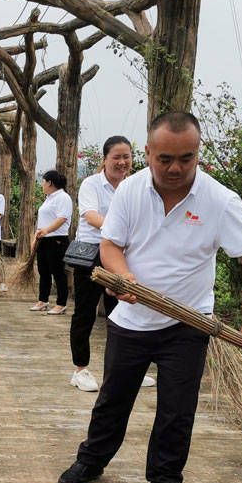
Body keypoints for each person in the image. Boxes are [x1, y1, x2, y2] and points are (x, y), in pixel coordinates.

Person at [57, 111, 242, 483]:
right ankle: (92, 460)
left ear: (198, 155)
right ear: (148, 152)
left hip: (188, 323)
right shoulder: (131, 192)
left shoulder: (220, 201)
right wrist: (123, 278)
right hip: (131, 321)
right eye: (165, 159)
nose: (175, 168)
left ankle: (165, 479)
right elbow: (111, 245)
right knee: (113, 399)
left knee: (177, 408)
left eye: (186, 159)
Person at [69, 137, 155, 392]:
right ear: (104, 159)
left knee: (122, 313)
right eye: (116, 157)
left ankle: (123, 370)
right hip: (92, 255)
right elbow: (90, 215)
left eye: (126, 156)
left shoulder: (134, 185)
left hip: (122, 255)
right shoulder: (91, 184)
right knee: (85, 311)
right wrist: (118, 230)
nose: (122, 162)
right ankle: (80, 369)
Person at [30, 170, 72, 315]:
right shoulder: (49, 198)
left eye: (43, 182)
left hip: (57, 239)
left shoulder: (63, 197)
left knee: (58, 272)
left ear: (50, 183)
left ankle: (61, 303)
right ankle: (43, 300)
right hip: (44, 239)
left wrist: (47, 230)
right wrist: (35, 239)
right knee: (44, 271)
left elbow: (62, 219)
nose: (42, 185)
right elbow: (42, 221)